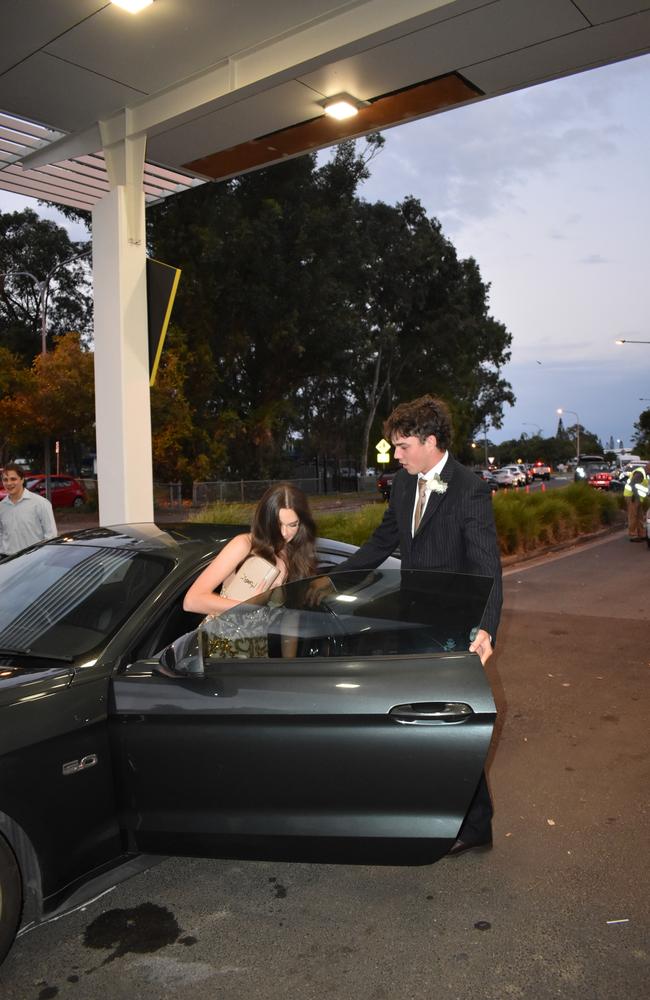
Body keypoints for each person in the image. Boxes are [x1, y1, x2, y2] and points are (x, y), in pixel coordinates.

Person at [335, 394, 503, 857]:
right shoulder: (404, 485)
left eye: (404, 445)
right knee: (421, 721)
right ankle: (444, 814)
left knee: (450, 725)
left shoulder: (468, 487)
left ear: (430, 442)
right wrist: (331, 580)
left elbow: (489, 566)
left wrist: (486, 627)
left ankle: (474, 826)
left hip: (452, 628)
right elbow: (382, 542)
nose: (397, 454)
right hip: (412, 623)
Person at [184, 482, 318, 617]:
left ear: (302, 524)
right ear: (266, 520)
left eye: (292, 525)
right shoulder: (244, 545)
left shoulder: (295, 555)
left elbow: (291, 615)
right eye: (277, 524)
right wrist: (247, 607)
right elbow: (192, 601)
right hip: (223, 637)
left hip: (258, 638)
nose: (284, 533)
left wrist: (290, 639)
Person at [0, 463, 57, 556]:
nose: (9, 483)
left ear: (22, 479)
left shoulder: (41, 503)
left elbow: (51, 536)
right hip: (7, 561)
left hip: (33, 561)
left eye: (13, 479)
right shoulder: (1, 507)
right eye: (5, 480)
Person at [623, 464, 648, 542]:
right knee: (633, 516)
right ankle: (633, 535)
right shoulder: (640, 473)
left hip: (638, 498)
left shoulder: (645, 474)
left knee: (640, 516)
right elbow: (632, 485)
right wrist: (636, 496)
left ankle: (642, 534)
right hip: (632, 497)